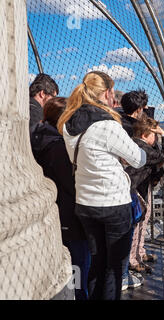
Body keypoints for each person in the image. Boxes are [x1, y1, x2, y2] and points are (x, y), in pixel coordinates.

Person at [57, 71, 147, 300]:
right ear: (107, 93)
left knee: (96, 263)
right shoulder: (107, 125)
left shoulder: (68, 125)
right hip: (114, 204)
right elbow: (138, 158)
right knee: (114, 270)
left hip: (85, 205)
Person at [30, 97, 90, 300]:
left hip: (54, 214)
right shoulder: (57, 147)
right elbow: (72, 185)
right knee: (79, 266)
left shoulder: (38, 139)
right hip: (70, 217)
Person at [124, 115, 164, 277]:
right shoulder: (142, 148)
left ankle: (138, 253)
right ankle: (133, 259)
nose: (156, 137)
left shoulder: (139, 145)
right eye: (155, 135)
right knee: (137, 225)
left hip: (138, 188)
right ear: (145, 135)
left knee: (141, 222)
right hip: (136, 189)